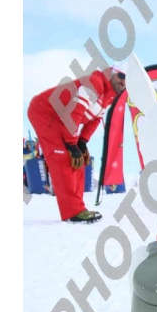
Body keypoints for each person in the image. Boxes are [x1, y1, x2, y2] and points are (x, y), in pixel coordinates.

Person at [27, 66, 126, 222]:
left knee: (79, 160)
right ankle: (72, 212)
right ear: (112, 73)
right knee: (63, 159)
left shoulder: (109, 96)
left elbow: (94, 120)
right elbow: (74, 112)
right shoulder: (95, 83)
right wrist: (71, 144)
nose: (124, 82)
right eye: (122, 76)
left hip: (63, 119)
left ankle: (78, 208)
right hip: (45, 112)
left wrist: (82, 142)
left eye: (128, 80)